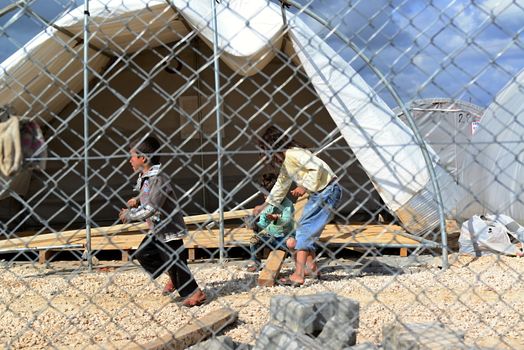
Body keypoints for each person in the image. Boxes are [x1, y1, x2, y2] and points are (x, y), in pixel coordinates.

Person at [119, 136, 206, 307]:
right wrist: (137, 200)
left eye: (132, 156)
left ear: (143, 158)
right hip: (158, 230)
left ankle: (195, 294)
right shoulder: (146, 177)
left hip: (168, 230)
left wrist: (130, 215)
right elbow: (148, 196)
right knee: (144, 253)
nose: (130, 160)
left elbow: (151, 208)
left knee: (175, 262)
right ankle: (174, 278)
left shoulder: (158, 179)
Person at [254, 126, 342, 286]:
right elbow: (281, 185)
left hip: (327, 191)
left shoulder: (294, 153)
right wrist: (265, 205)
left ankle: (299, 274)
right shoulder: (288, 161)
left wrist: (304, 186)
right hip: (321, 193)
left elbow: (317, 168)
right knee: (306, 228)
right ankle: (311, 267)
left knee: (304, 229)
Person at [246, 173, 296, 272]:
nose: (266, 199)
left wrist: (276, 218)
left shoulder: (288, 205)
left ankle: (298, 263)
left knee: (292, 243)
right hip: (269, 236)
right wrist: (255, 225)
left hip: (284, 237)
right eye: (264, 196)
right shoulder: (268, 206)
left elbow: (287, 220)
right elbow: (263, 222)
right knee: (253, 240)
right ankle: (256, 263)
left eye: (268, 196)